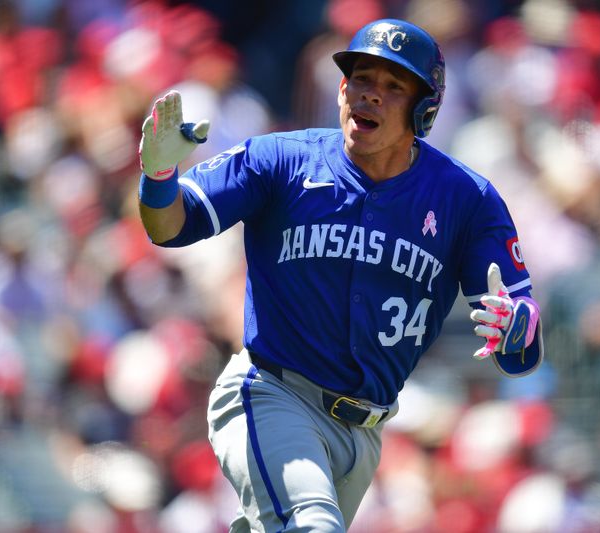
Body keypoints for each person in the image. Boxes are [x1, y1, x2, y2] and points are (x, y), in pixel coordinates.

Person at [137, 18, 543, 533]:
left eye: (393, 87)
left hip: (366, 432)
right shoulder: (281, 159)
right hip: (271, 395)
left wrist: (517, 325)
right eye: (361, 80)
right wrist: (158, 179)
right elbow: (171, 226)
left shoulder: (468, 199)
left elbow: (522, 350)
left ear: (425, 109)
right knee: (312, 525)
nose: (370, 96)